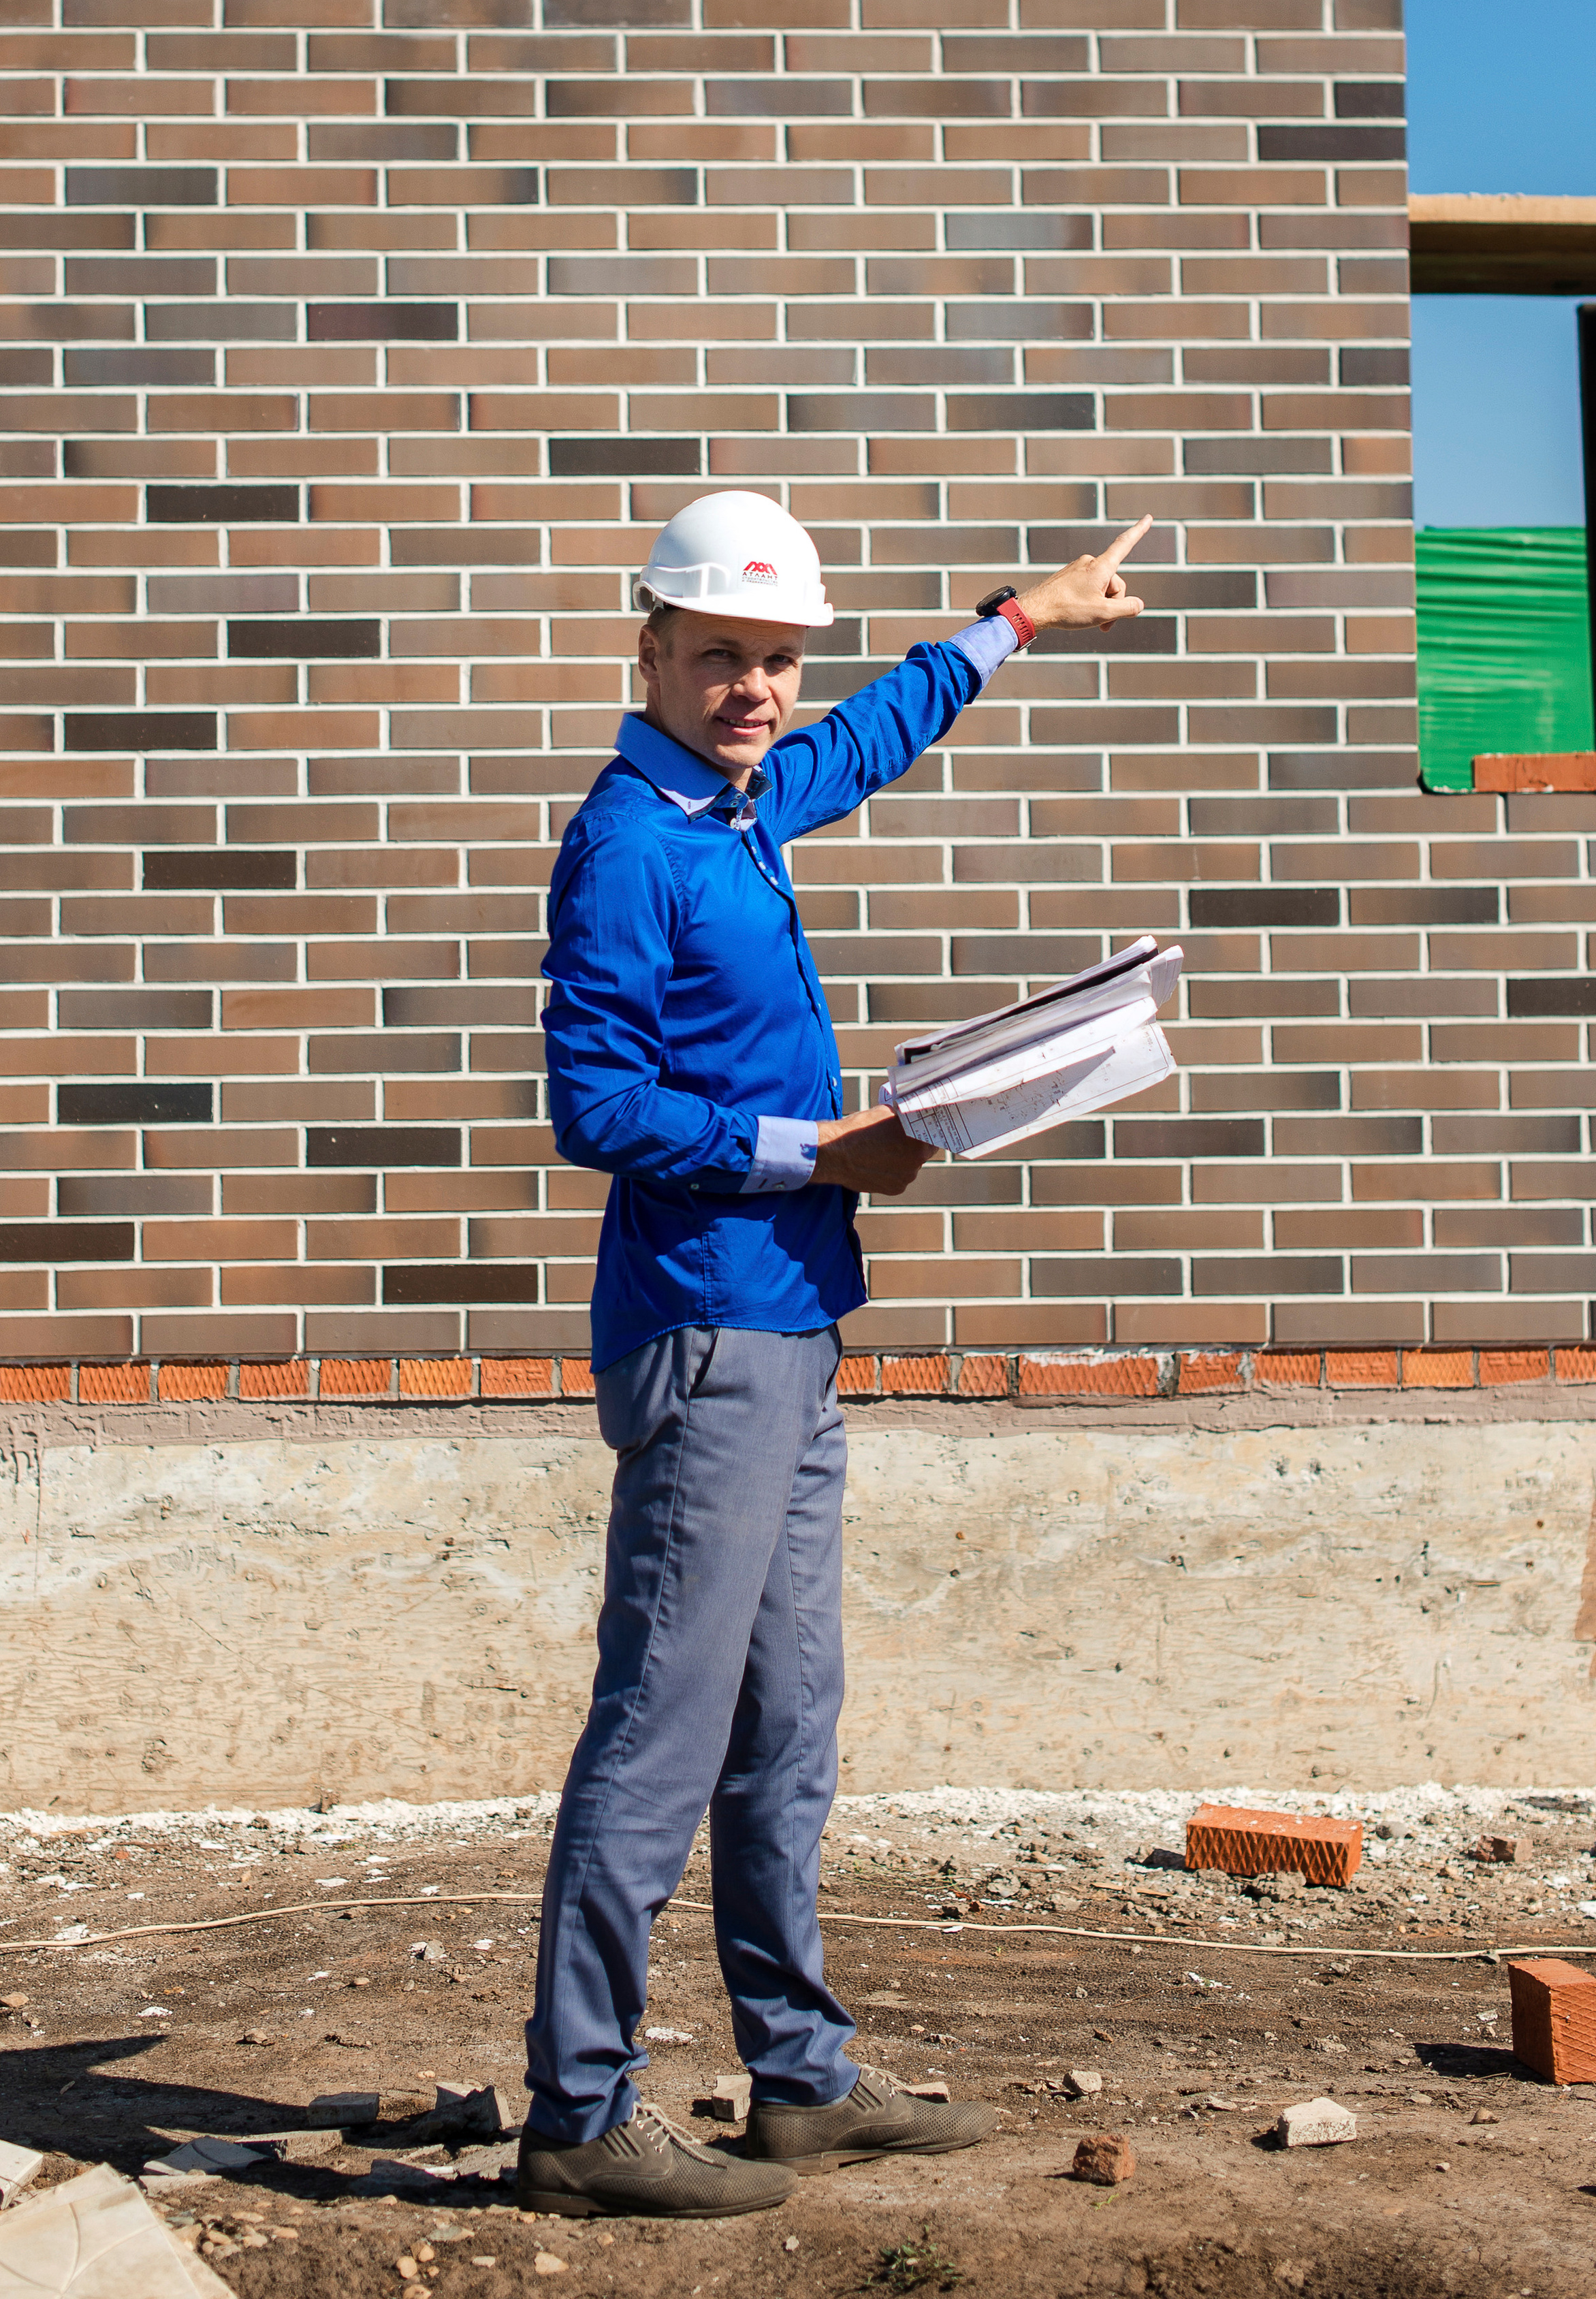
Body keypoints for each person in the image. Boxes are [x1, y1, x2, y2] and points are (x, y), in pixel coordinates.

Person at [520, 490, 1149, 2219]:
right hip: (708, 1328)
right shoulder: (635, 841)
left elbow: (869, 738)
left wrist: (1014, 619)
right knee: (660, 1726)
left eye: (773, 659)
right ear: (647, 649)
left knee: (786, 1720)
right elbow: (594, 1104)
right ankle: (578, 2111)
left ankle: (796, 2081)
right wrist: (820, 1152)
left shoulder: (736, 802)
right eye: (718, 653)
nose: (756, 688)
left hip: (790, 1326)